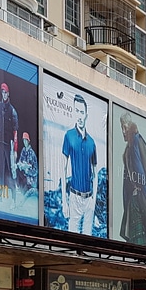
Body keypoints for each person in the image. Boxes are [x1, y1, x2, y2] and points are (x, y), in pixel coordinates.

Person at [118, 112, 146, 246]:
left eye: (124, 127)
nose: (123, 131)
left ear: (129, 126)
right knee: (138, 247)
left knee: (141, 247)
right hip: (134, 202)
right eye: (121, 127)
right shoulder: (129, 147)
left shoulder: (136, 141)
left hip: (140, 201)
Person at [61, 94, 97, 235]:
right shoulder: (68, 136)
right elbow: (63, 169)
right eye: (77, 111)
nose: (79, 116)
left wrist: (93, 199)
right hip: (74, 196)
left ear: (86, 114)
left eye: (82, 112)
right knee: (72, 240)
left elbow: (95, 174)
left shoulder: (92, 142)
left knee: (88, 240)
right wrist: (65, 201)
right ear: (74, 111)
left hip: (88, 198)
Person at [0, 82, 19, 206]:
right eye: (2, 92)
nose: (4, 94)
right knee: (0, 170)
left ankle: (14, 198)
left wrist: (15, 150)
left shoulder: (12, 110)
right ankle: (0, 195)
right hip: (0, 143)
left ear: (8, 93)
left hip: (9, 144)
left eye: (5, 92)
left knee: (10, 171)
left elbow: (15, 132)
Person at [15, 131, 38, 199]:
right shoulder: (23, 150)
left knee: (26, 191)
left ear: (28, 141)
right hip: (23, 175)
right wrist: (20, 165)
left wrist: (28, 171)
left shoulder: (32, 153)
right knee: (16, 170)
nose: (25, 142)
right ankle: (18, 187)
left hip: (30, 178)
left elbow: (35, 171)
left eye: (26, 140)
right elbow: (20, 161)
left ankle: (29, 189)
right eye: (23, 140)